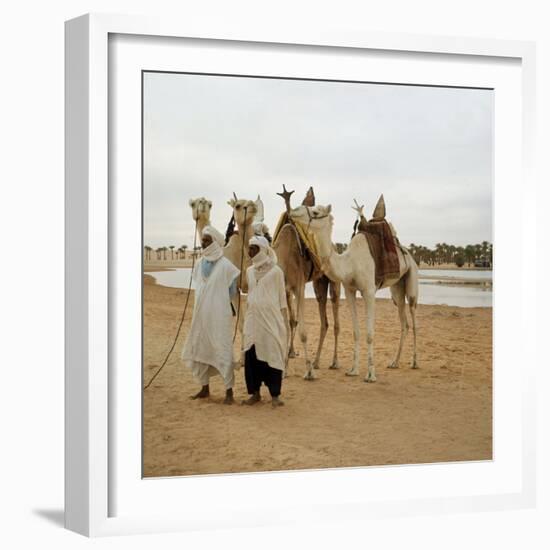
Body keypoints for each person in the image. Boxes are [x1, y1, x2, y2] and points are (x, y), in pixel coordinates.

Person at [181, 226, 240, 404]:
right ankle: (204, 387)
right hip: (200, 315)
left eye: (207, 240)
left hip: (219, 316)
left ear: (214, 241)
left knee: (222, 349)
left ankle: (229, 392)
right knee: (200, 347)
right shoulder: (199, 264)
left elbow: (232, 292)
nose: (203, 243)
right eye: (203, 240)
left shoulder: (227, 266)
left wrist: (217, 302)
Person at [242, 235, 289, 407]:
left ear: (262, 249)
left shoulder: (276, 272)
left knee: (272, 353)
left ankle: (275, 396)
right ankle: (255, 394)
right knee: (251, 355)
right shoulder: (249, 271)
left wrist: (282, 322)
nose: (250, 251)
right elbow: (250, 294)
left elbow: (282, 299)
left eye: (254, 248)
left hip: (270, 321)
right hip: (253, 320)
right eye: (250, 248)